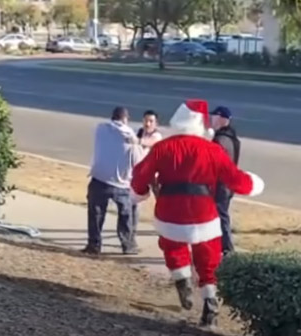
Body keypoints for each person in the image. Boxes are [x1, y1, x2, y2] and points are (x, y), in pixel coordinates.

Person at [130, 99, 264, 327]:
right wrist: (253, 183)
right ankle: (209, 304)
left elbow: (141, 174)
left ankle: (182, 281)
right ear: (202, 125)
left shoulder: (163, 147)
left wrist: (139, 192)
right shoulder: (212, 149)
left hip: (170, 210)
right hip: (203, 212)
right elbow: (234, 178)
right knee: (208, 257)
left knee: (173, 247)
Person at [82, 107, 143, 256]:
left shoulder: (100, 129)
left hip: (99, 178)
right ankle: (127, 245)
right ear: (125, 119)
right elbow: (137, 161)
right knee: (125, 215)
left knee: (96, 214)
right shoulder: (131, 137)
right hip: (121, 183)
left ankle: (94, 245)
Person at [210, 106, 241, 255]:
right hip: (229, 184)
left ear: (223, 119)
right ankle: (219, 246)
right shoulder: (233, 138)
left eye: (214, 116)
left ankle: (228, 249)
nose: (212, 119)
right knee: (220, 215)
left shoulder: (220, 139)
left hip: (221, 185)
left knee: (221, 216)